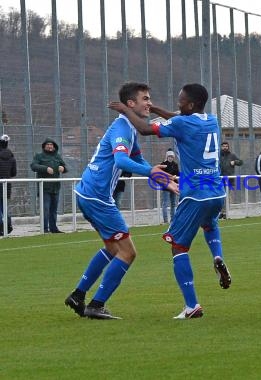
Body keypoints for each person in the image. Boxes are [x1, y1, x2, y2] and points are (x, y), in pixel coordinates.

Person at [109, 83, 231, 320]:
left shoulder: (181, 123)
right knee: (209, 224)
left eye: (181, 100)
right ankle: (217, 255)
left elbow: (144, 129)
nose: (178, 103)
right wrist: (156, 109)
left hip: (194, 193)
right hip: (216, 190)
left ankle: (191, 305)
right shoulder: (211, 120)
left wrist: (126, 110)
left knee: (178, 246)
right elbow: (178, 117)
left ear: (191, 104)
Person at [64, 82, 177, 320]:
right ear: (130, 104)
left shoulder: (128, 128)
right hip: (97, 197)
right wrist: (153, 174)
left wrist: (160, 176)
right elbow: (122, 162)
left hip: (88, 191)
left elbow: (138, 159)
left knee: (112, 248)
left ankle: (78, 295)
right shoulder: (122, 128)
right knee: (128, 253)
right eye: (145, 99)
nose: (149, 103)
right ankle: (96, 305)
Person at [30, 138, 67, 233]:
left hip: (55, 188)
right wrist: (45, 168)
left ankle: (54, 228)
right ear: (44, 146)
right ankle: (44, 229)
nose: (50, 146)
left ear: (54, 146)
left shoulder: (57, 156)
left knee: (54, 210)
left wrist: (63, 168)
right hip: (45, 188)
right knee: (45, 209)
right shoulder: (39, 156)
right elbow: (33, 166)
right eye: (48, 144)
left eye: (51, 145)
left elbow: (65, 167)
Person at [219, 141, 243, 219]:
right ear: (221, 147)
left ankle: (225, 212)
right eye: (223, 146)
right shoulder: (218, 156)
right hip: (219, 179)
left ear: (228, 147)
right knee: (220, 197)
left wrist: (235, 162)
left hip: (229, 179)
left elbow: (241, 162)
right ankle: (221, 212)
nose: (225, 147)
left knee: (226, 196)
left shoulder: (232, 155)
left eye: (226, 146)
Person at [0, 134, 16, 236]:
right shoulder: (11, 157)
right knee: (4, 206)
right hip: (6, 185)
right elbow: (14, 173)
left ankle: (1, 226)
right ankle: (8, 224)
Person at [160, 149, 180, 223]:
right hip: (166, 186)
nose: (170, 158)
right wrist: (171, 176)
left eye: (172, 156)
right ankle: (165, 220)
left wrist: (174, 176)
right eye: (169, 156)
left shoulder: (175, 164)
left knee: (173, 203)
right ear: (167, 156)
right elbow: (162, 174)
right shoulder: (163, 164)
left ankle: (173, 219)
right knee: (165, 203)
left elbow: (177, 173)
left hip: (174, 186)